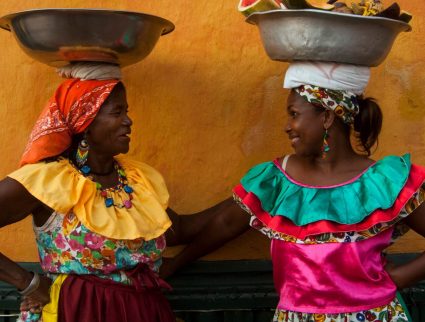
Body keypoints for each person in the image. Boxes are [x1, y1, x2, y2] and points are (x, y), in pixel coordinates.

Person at [164, 62, 425, 322]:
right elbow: (225, 222)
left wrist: (401, 277)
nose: (287, 126)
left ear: (327, 116)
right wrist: (175, 264)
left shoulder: (384, 182)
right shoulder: (279, 179)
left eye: (294, 114)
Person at [0, 63, 231, 322]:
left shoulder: (135, 180)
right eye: (117, 112)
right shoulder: (48, 180)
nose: (128, 121)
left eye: (127, 111)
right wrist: (27, 282)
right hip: (78, 311)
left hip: (143, 311)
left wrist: (247, 201)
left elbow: (177, 230)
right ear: (85, 123)